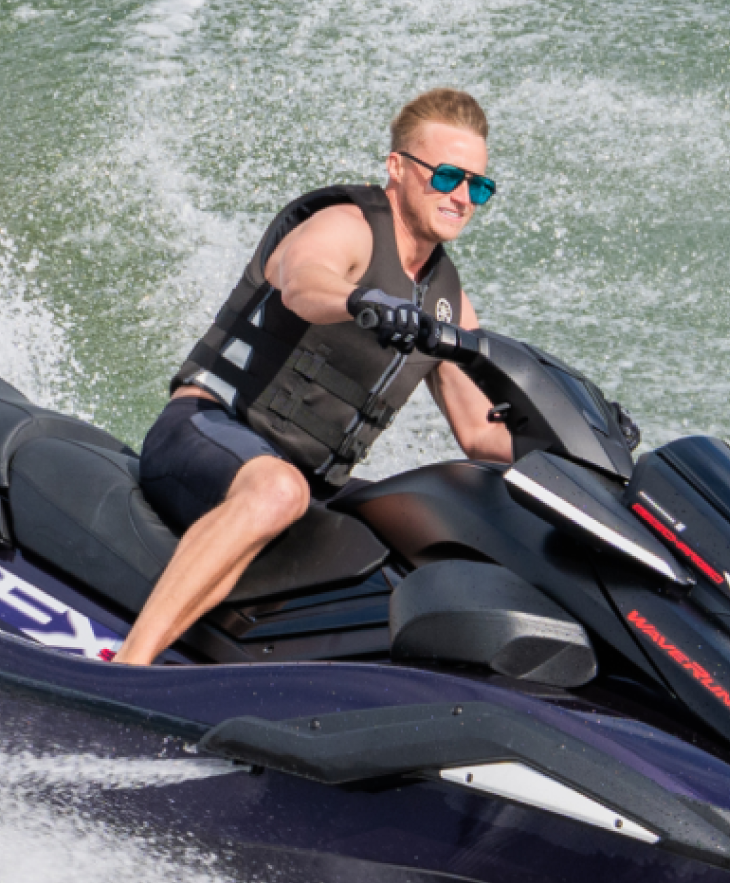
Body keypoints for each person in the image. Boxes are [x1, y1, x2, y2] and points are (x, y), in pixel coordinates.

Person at [112, 88, 510, 665]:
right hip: (205, 429)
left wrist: (592, 462)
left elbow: (480, 432)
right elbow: (304, 284)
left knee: (433, 523)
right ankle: (128, 668)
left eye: (478, 186)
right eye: (448, 176)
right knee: (280, 490)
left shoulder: (447, 302)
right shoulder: (347, 227)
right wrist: (362, 301)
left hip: (303, 489)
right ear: (397, 168)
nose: (461, 197)